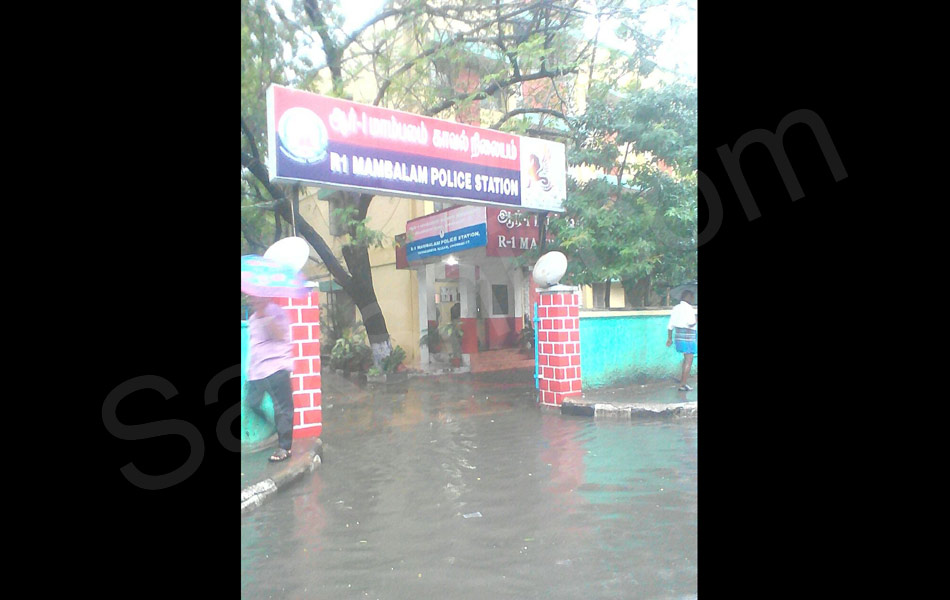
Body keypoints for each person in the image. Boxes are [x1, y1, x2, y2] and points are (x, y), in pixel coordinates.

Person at [244, 295, 295, 462]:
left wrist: (265, 314)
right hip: (257, 372)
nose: (251, 300)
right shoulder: (252, 318)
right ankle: (275, 426)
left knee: (283, 408)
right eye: (250, 298)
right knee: (252, 402)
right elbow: (254, 345)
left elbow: (280, 335)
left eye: (255, 298)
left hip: (276, 368)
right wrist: (249, 370)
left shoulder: (277, 313)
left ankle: (284, 448)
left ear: (265, 297)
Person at [666, 290, 697, 391]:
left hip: (678, 336)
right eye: (692, 297)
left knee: (685, 359)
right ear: (688, 297)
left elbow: (670, 326)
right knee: (689, 360)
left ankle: (683, 382)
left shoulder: (676, 308)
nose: (693, 299)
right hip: (688, 337)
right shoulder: (689, 309)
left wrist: (669, 338)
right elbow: (691, 323)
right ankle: (682, 384)